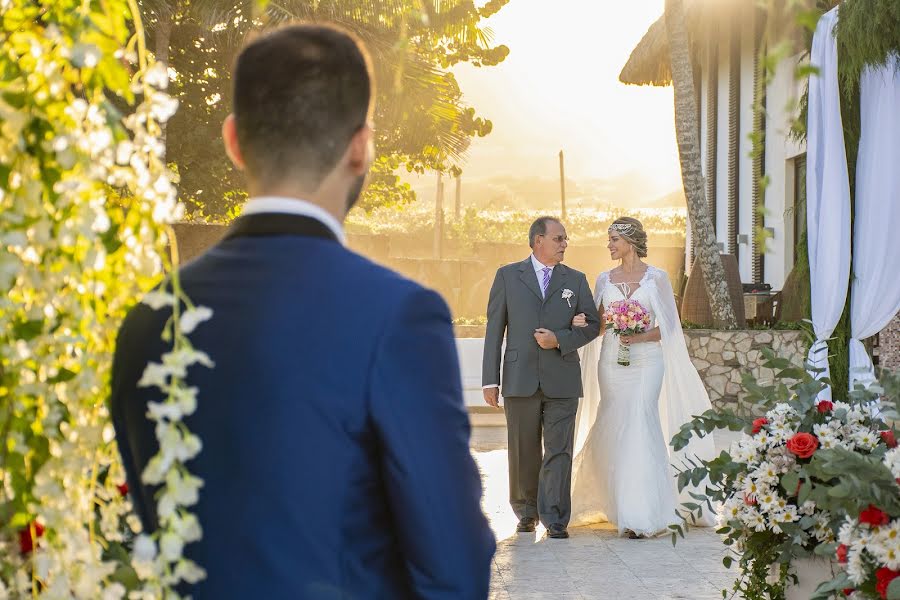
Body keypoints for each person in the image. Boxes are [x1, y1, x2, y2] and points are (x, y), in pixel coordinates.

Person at [110, 23, 495, 598]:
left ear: (234, 140)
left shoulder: (149, 318)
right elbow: (454, 569)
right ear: (361, 146)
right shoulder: (398, 317)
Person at [569, 216, 716, 538]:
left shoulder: (657, 279)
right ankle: (617, 502)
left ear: (630, 242)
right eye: (609, 240)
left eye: (613, 240)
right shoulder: (603, 280)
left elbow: (670, 328)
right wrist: (585, 321)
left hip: (648, 362)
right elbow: (598, 326)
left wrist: (639, 336)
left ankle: (642, 512)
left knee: (640, 419)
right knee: (613, 420)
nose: (609, 245)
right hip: (612, 361)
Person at [482, 216, 601, 540]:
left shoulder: (575, 280)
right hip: (519, 377)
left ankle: (556, 518)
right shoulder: (507, 276)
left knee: (559, 449)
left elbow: (593, 325)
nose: (565, 244)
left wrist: (560, 339)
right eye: (559, 238)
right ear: (538, 241)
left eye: (564, 239)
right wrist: (490, 380)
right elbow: (495, 330)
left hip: (562, 377)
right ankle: (526, 512)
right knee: (523, 449)